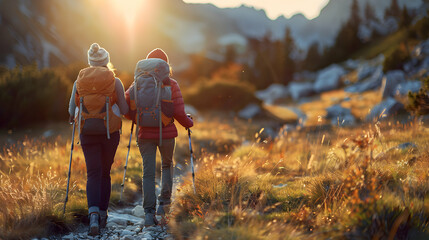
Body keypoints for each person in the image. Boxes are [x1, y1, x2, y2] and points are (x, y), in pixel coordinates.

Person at [125, 48, 193, 227]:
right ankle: (164, 205)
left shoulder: (137, 83)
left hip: (144, 134)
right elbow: (179, 112)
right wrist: (189, 123)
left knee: (147, 173)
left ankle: (148, 213)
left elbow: (127, 107)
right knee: (167, 165)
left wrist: (138, 118)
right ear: (164, 65)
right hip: (167, 133)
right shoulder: (171, 83)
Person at [68, 43, 129, 235]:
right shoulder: (115, 81)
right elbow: (125, 110)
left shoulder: (79, 82)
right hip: (109, 134)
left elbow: (71, 110)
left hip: (86, 133)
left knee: (93, 173)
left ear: (90, 62)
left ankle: (92, 215)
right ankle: (103, 215)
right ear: (106, 62)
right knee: (105, 172)